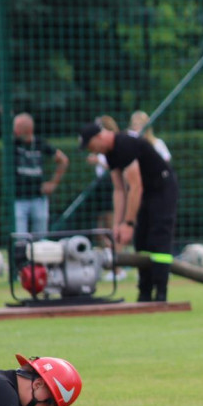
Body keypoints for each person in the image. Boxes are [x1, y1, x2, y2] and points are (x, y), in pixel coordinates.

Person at [78, 120, 179, 303]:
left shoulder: (124, 144)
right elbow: (119, 190)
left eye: (92, 146)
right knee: (141, 241)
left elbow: (135, 186)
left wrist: (129, 223)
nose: (93, 151)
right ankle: (145, 292)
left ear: (100, 136)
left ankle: (161, 292)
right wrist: (118, 225)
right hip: (145, 192)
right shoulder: (110, 154)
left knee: (158, 238)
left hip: (162, 189)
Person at [13, 113, 68, 236]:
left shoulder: (40, 144)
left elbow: (63, 160)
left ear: (28, 128)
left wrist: (53, 183)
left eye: (17, 126)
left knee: (41, 238)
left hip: (39, 197)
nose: (14, 130)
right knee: (20, 238)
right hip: (18, 198)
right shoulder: (14, 144)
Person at [86, 115, 126, 281]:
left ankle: (118, 267)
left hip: (111, 185)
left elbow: (116, 166)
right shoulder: (102, 147)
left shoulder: (116, 145)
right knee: (100, 231)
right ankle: (108, 261)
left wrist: (99, 162)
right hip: (100, 188)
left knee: (112, 228)